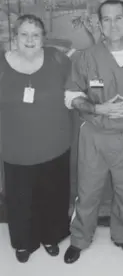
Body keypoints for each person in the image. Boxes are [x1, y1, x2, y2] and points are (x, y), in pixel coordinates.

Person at [63, 0, 123, 264]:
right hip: (94, 135)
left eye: (118, 18)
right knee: (88, 191)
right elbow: (71, 96)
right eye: (106, 19)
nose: (113, 24)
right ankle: (80, 238)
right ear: (100, 24)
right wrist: (97, 108)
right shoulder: (86, 57)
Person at [0, 14, 73, 263]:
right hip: (15, 150)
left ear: (43, 38)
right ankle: (24, 243)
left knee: (52, 195)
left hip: (55, 146)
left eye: (36, 34)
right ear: (15, 37)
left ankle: (51, 236)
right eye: (24, 34)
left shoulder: (58, 59)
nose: (30, 39)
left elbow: (77, 89)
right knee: (20, 199)